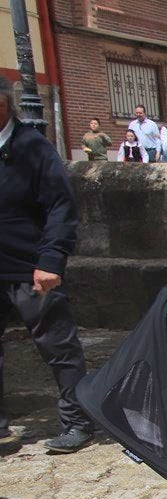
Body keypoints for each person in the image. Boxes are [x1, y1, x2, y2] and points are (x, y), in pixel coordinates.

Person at [0, 78, 95, 453]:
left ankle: (77, 421)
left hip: (29, 266)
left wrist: (51, 259)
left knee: (58, 347)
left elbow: (60, 206)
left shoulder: (31, 147)